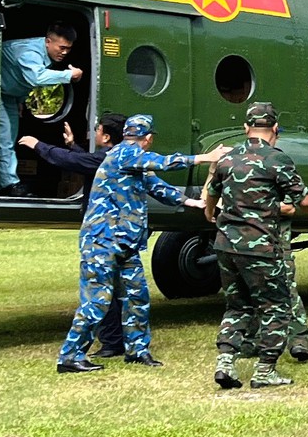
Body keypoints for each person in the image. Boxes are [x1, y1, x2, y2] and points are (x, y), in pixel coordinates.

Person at [56, 115, 226, 372]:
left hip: (125, 244)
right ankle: (70, 356)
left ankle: (137, 350)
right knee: (97, 301)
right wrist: (204, 158)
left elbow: (155, 185)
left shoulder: (130, 162)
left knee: (137, 297)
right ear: (148, 138)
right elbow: (162, 163)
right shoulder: (123, 154)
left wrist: (189, 202)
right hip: (103, 242)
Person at [205, 101, 308, 390]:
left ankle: (226, 363)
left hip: (225, 245)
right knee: (276, 307)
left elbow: (211, 194)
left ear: (246, 128)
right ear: (275, 129)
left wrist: (209, 213)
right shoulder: (276, 160)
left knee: (237, 306)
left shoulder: (227, 159)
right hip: (258, 247)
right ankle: (265, 370)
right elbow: (304, 199)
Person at [20, 116, 127, 355]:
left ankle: (112, 342)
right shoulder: (116, 156)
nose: (95, 132)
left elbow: (74, 162)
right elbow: (86, 161)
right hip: (115, 232)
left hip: (102, 234)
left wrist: (38, 145)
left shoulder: (108, 158)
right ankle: (118, 340)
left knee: (101, 288)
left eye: (98, 130)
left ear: (107, 137)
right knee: (116, 288)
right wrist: (73, 145)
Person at [0, 23, 83, 193]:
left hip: (10, 96)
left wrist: (20, 100)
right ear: (48, 41)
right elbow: (36, 77)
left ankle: (3, 182)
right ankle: (8, 185)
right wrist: (70, 74)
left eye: (68, 48)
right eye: (61, 47)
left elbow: (19, 77)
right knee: (5, 139)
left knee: (7, 138)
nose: (65, 52)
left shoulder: (46, 54)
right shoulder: (29, 52)